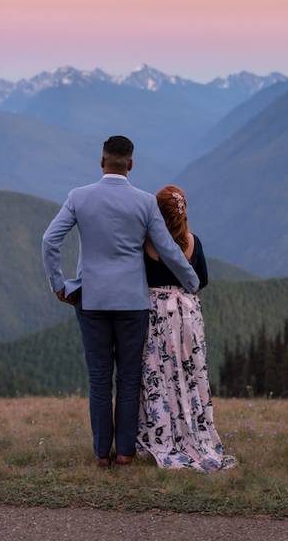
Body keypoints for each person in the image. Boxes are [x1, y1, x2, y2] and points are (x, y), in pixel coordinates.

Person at [41, 136, 199, 467]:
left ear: (102, 163)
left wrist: (59, 285)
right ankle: (126, 452)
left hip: (91, 300)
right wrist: (191, 280)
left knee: (99, 378)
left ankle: (101, 454)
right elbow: (169, 250)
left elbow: (49, 240)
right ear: (130, 164)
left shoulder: (78, 197)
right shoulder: (144, 203)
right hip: (133, 303)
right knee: (128, 378)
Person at [138, 185, 236, 472]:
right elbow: (201, 279)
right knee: (190, 371)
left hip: (157, 316)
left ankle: (159, 431)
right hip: (187, 316)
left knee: (157, 373)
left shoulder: (146, 243)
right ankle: (194, 429)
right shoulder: (193, 242)